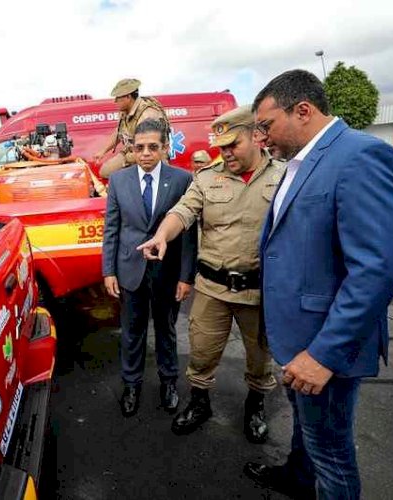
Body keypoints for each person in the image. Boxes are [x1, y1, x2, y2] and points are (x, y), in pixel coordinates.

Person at [243, 70, 393, 499]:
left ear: (303, 110)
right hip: (299, 339)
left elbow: (376, 269)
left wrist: (323, 355)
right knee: (306, 430)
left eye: (265, 125)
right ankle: (298, 479)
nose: (261, 137)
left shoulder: (360, 156)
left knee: (331, 452)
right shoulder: (302, 161)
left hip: (324, 348)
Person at [136, 106, 285, 441]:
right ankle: (200, 403)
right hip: (212, 289)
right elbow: (183, 211)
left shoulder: (285, 176)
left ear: (256, 136)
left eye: (234, 145)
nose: (226, 153)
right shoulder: (206, 178)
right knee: (201, 354)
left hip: (260, 292)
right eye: (221, 148)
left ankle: (255, 407)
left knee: (260, 359)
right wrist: (162, 234)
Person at [102, 118, 196, 417]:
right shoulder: (118, 180)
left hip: (166, 273)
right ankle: (131, 385)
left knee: (167, 330)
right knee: (132, 332)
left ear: (164, 148)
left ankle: (169, 383)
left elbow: (188, 234)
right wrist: (109, 271)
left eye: (152, 147)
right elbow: (112, 229)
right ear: (132, 149)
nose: (145, 153)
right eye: (140, 147)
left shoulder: (182, 180)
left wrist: (186, 276)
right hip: (130, 271)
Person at [94, 79, 169, 179]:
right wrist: (103, 151)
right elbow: (119, 132)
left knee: (136, 181)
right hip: (133, 152)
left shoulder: (147, 115)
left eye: (118, 97)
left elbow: (149, 147)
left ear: (128, 97)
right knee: (105, 172)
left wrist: (127, 159)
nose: (115, 101)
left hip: (150, 157)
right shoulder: (125, 112)